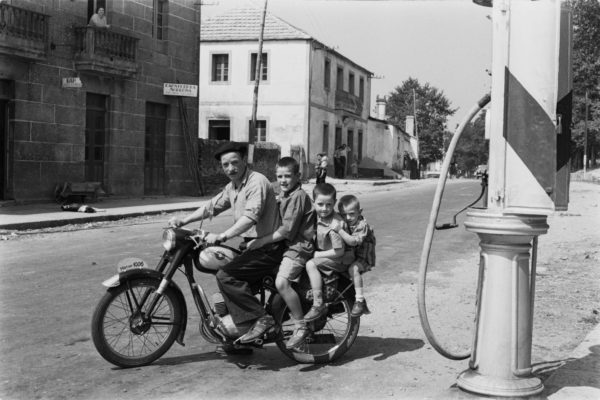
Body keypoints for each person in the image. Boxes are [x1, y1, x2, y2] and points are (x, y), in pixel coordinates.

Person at [168, 141, 282, 347]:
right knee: (223, 266)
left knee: (227, 275)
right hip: (250, 246)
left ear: (244, 162)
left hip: (268, 247)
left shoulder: (257, 182)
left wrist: (222, 236)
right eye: (225, 165)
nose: (230, 168)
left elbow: (250, 217)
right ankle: (239, 335)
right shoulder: (233, 186)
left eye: (235, 163)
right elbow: (212, 206)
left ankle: (262, 319)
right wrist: (183, 221)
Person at [247, 157, 316, 349]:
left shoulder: (298, 196)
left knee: (281, 282)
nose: (283, 180)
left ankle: (300, 326)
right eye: (279, 176)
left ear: (297, 176)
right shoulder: (285, 194)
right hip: (286, 246)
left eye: (287, 176)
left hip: (299, 247)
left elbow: (286, 230)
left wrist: (261, 240)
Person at [303, 183, 346, 322]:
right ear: (313, 202)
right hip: (326, 254)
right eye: (320, 204)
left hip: (338, 258)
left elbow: (339, 251)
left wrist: (317, 255)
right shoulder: (315, 217)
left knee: (310, 264)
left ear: (335, 203)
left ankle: (318, 302)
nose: (324, 209)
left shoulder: (334, 223)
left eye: (329, 205)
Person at [334, 194, 376, 317]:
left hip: (364, 257)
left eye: (352, 214)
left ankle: (359, 301)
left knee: (353, 269)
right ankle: (353, 298)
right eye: (343, 214)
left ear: (360, 212)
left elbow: (353, 241)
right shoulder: (346, 221)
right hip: (352, 255)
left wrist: (339, 230)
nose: (348, 218)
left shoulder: (362, 225)